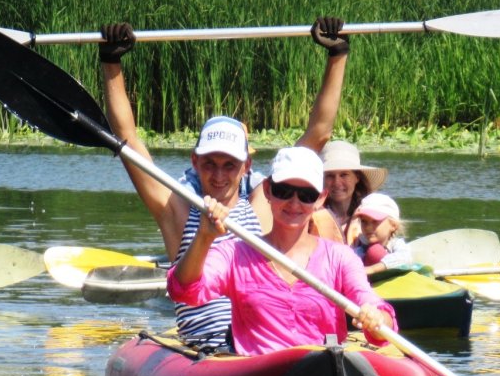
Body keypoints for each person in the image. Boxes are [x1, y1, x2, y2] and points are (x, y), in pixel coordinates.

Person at [100, 17, 350, 350]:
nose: (218, 176)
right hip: (208, 350)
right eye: (209, 164)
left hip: (262, 345)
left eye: (229, 165)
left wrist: (337, 55)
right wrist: (111, 62)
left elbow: (318, 135)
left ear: (246, 165)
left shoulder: (265, 204)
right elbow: (128, 139)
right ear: (194, 161)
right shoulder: (175, 209)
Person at [167, 146, 397, 356]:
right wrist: (203, 237)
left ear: (320, 199)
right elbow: (184, 291)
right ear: (267, 190)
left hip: (321, 367)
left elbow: (374, 306)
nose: (294, 203)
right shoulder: (234, 253)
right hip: (258, 374)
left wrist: (378, 319)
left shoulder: (340, 258)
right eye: (284, 190)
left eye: (306, 195)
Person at [318, 140, 388, 243]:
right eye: (330, 176)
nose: (337, 183)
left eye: (344, 175)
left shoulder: (371, 214)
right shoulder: (310, 215)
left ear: (357, 177)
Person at [351, 193, 412, 275]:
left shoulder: (395, 244)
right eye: (364, 221)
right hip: (369, 284)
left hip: (392, 283)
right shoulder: (362, 247)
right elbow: (350, 260)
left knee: (376, 251)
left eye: (375, 221)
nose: (368, 227)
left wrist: (373, 269)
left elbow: (405, 257)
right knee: (374, 251)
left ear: (393, 225)